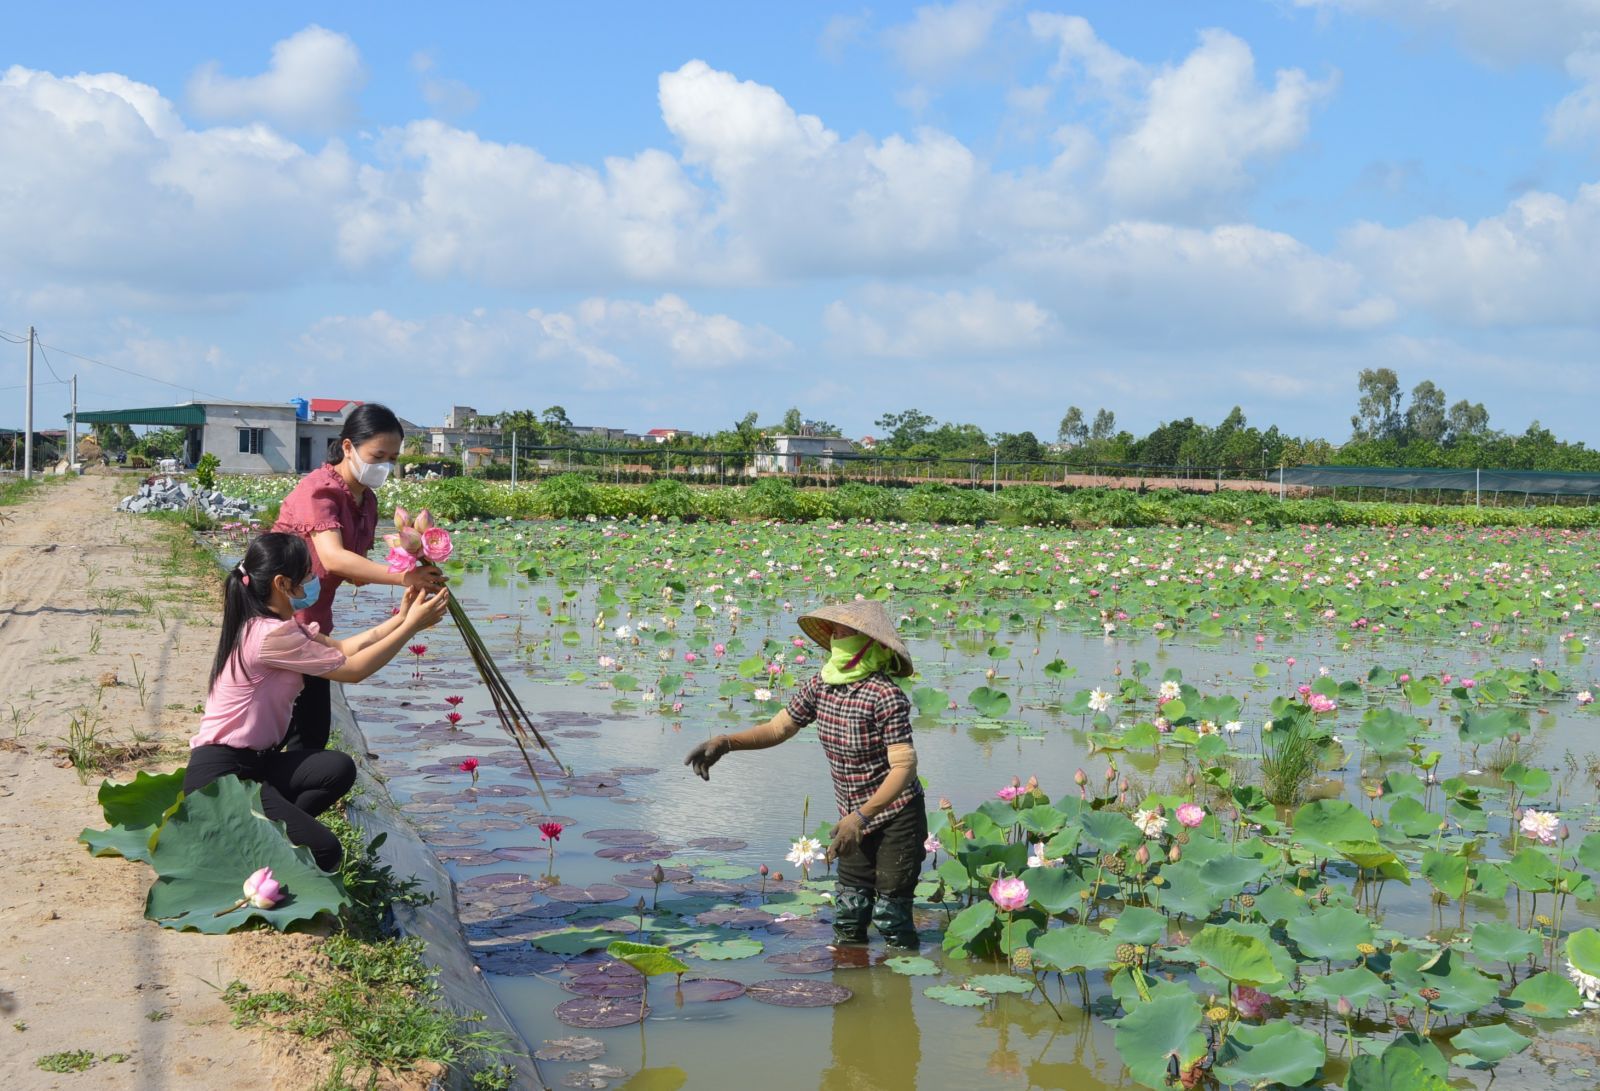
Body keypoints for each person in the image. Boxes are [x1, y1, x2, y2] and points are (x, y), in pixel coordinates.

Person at [184, 532, 449, 871]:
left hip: (254, 765)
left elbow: (341, 649)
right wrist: (411, 627)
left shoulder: (274, 625)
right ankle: (246, 842)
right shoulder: (271, 636)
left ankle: (262, 829)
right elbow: (353, 670)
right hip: (221, 780)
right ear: (282, 583)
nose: (313, 580)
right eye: (307, 574)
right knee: (325, 852)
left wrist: (401, 617)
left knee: (336, 768)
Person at [684, 600, 926, 948]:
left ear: (871, 643)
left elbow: (904, 768)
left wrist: (861, 817)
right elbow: (778, 729)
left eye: (848, 632)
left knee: (891, 915)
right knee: (849, 912)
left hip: (895, 816)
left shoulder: (885, 695)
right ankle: (850, 993)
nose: (838, 637)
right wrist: (725, 742)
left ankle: (899, 986)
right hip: (851, 818)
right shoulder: (820, 686)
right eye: (836, 631)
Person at [272, 403, 446, 752]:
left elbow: (357, 571)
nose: (384, 465)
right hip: (278, 622)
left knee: (312, 733)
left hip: (316, 623)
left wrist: (410, 591)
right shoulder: (318, 491)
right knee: (288, 734)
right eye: (378, 455)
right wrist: (405, 578)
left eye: (393, 458)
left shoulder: (366, 501)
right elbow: (334, 559)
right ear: (348, 447)